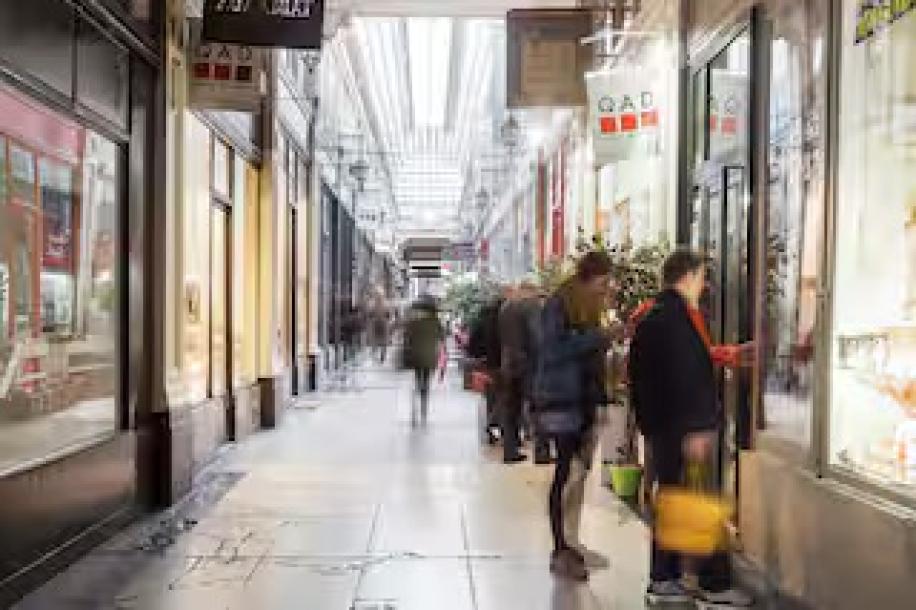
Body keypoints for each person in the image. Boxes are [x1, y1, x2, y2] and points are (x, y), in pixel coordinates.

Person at [628, 249, 753, 607]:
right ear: (687, 276)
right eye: (701, 276)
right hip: (681, 430)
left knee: (676, 500)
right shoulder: (675, 320)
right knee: (690, 500)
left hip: (664, 428)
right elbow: (685, 377)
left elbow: (653, 373)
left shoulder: (658, 316)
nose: (705, 284)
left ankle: (675, 576)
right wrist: (696, 428)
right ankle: (695, 579)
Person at [533, 251, 619, 581]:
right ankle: (560, 548)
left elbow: (585, 352)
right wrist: (599, 337)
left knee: (578, 473)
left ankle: (571, 540)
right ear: (588, 277)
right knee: (565, 472)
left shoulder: (588, 306)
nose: (605, 287)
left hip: (583, 399)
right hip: (560, 399)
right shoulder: (559, 304)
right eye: (603, 281)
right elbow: (553, 351)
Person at [497, 283, 539, 464]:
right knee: (537, 407)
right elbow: (537, 336)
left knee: (510, 409)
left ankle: (510, 450)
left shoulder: (505, 307)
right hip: (526, 364)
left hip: (508, 363)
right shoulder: (529, 307)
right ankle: (542, 452)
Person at [403, 294, 445, 425]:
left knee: (417, 380)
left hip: (415, 356)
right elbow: (442, 338)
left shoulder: (413, 322)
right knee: (426, 383)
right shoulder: (436, 322)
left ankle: (414, 409)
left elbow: (407, 338)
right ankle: (423, 408)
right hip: (430, 356)